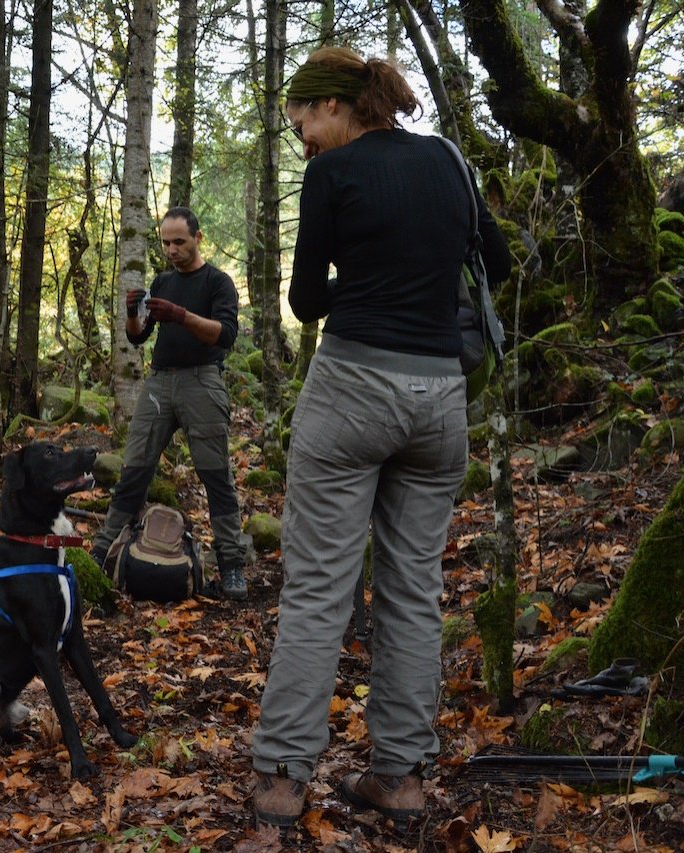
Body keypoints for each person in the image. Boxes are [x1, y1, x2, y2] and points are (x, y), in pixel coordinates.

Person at [249, 46, 513, 828]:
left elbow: (304, 300)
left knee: (320, 586)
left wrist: (362, 280)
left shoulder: (333, 175)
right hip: (440, 401)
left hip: (354, 388)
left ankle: (284, 777)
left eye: (304, 125)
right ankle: (400, 776)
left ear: (337, 106)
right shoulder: (449, 164)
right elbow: (494, 259)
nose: (304, 143)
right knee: (413, 594)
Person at [88, 207, 250, 600]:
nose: (172, 249)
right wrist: (133, 313)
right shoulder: (161, 281)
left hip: (202, 382)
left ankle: (231, 566)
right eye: (165, 242)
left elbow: (225, 334)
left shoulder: (218, 282)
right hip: (160, 383)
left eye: (179, 241)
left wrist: (179, 315)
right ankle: (100, 552)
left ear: (198, 238)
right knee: (134, 471)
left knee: (215, 477)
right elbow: (138, 337)